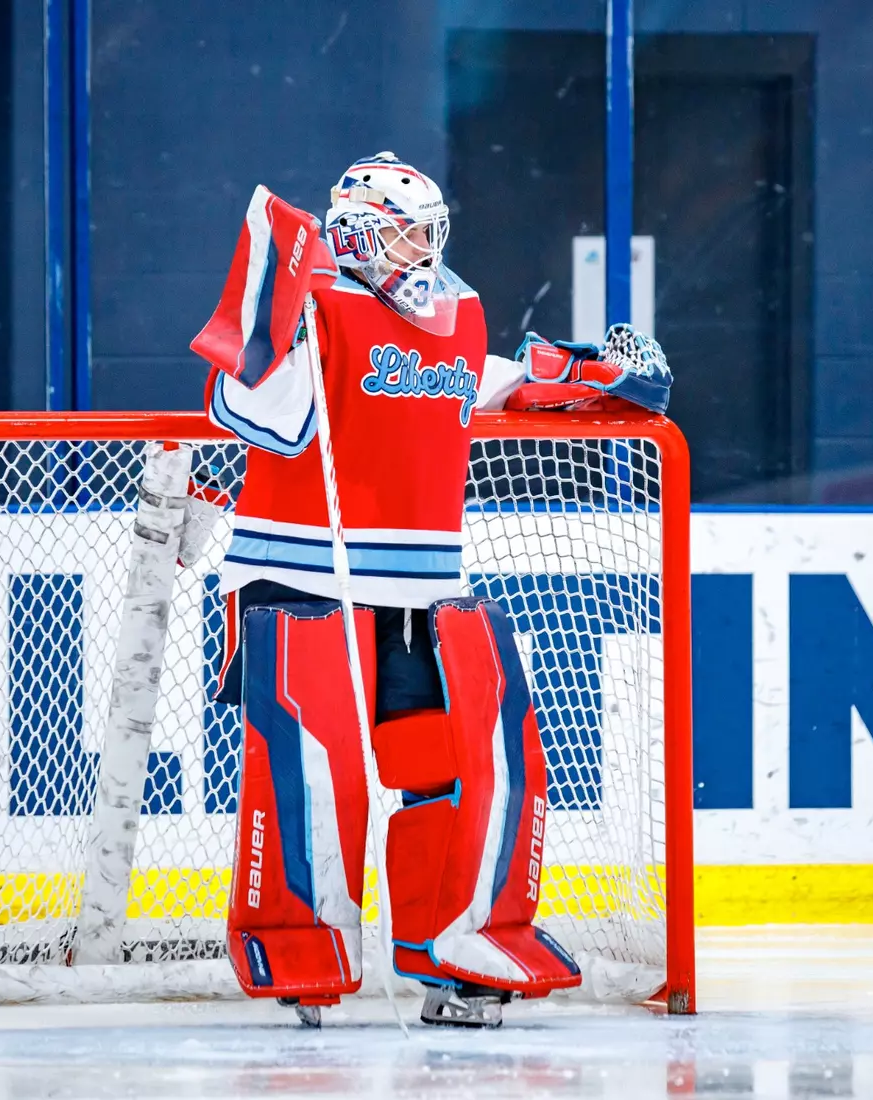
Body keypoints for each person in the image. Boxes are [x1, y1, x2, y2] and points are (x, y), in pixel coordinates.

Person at [192, 153, 579, 1028]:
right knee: (312, 773)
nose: (424, 244)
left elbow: (481, 384)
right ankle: (304, 946)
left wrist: (580, 380)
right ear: (361, 227)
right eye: (407, 227)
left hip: (421, 589)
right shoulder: (322, 300)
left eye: (430, 226)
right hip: (298, 578)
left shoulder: (465, 307)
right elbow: (253, 413)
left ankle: (443, 949)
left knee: (441, 766)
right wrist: (279, 328)